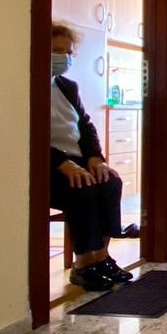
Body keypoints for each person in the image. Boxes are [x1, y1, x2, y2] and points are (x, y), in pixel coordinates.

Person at [50, 22, 134, 291]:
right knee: (83, 188)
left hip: (78, 160)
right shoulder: (27, 87)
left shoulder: (67, 87)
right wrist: (61, 163)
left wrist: (96, 159)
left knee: (110, 182)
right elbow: (28, 135)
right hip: (49, 165)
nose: (64, 57)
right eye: (56, 50)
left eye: (68, 52)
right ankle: (82, 265)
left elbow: (86, 127)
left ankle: (102, 257)